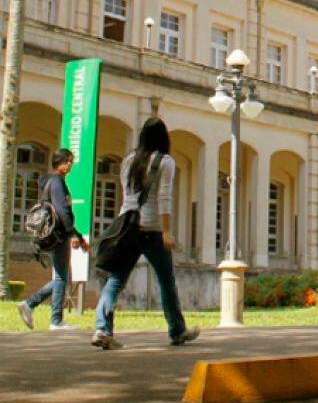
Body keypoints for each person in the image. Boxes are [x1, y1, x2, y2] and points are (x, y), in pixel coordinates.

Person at [92, 118, 199, 350]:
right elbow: (164, 197)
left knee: (115, 280)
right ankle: (177, 330)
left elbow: (126, 192)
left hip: (127, 226)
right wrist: (167, 231)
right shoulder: (165, 161)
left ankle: (102, 328)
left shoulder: (130, 159)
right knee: (166, 281)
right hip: (151, 229)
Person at [17, 149, 89, 330]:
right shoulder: (57, 182)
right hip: (58, 236)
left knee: (62, 277)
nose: (70, 164)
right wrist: (76, 235)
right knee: (61, 278)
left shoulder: (51, 181)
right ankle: (51, 317)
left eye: (71, 161)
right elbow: (63, 211)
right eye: (68, 161)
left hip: (54, 235)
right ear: (60, 163)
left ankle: (35, 307)